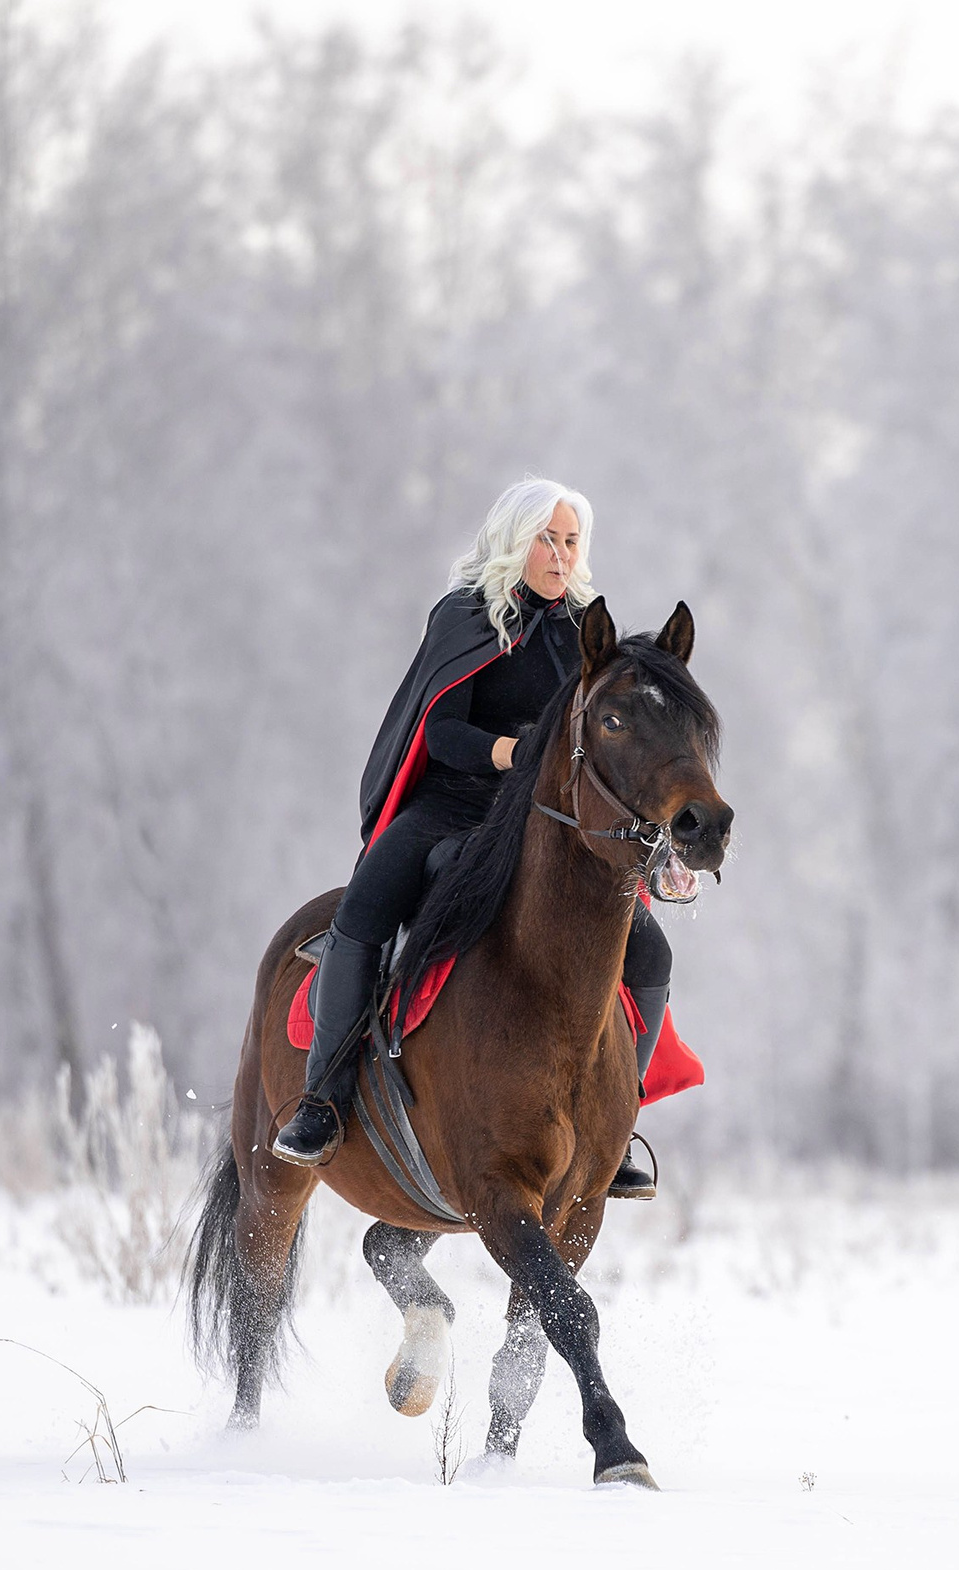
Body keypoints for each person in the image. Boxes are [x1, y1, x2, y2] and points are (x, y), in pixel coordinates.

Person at [271, 478, 673, 1196]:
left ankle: (616, 1118)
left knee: (651, 947)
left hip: (543, 824)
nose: (559, 554)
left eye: (571, 540)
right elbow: (442, 731)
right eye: (546, 539)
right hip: (451, 805)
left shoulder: (587, 627)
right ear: (516, 540)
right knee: (362, 910)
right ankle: (323, 1099)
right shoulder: (464, 615)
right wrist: (513, 755)